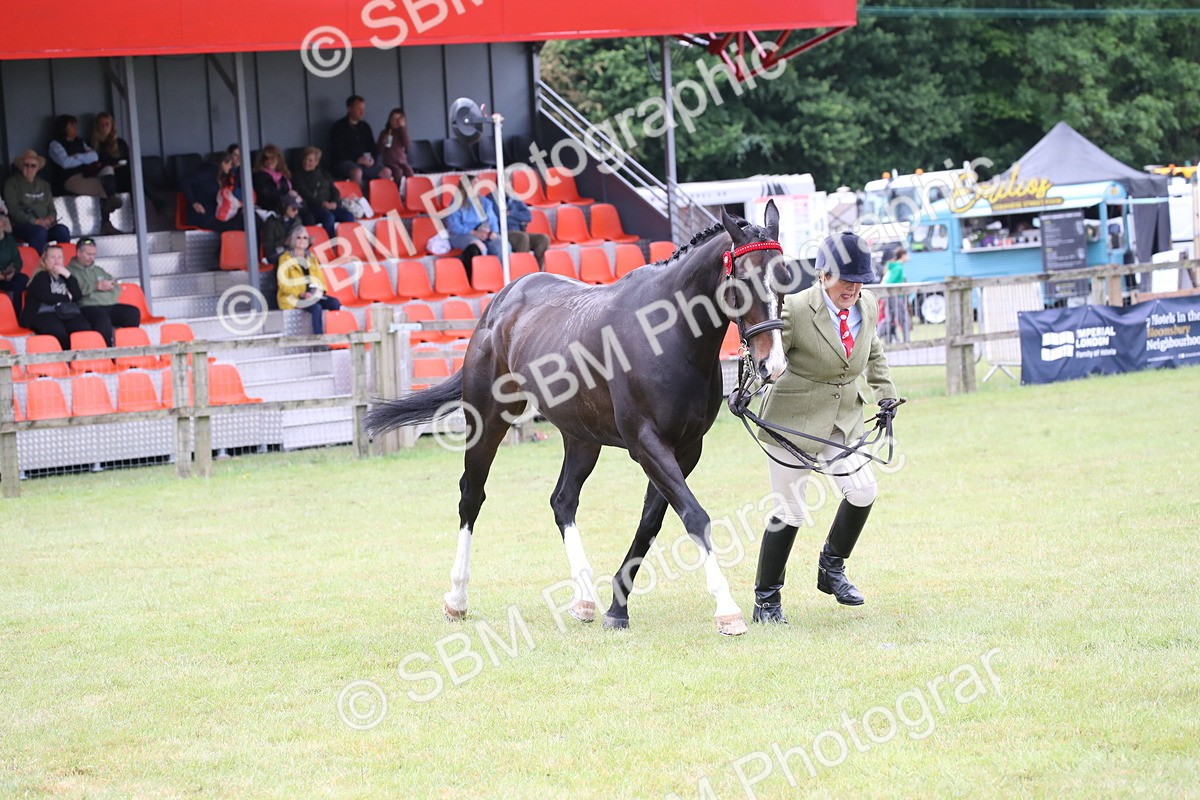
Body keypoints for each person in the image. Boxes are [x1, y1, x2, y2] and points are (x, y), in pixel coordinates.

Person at [751, 232, 901, 624]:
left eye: (858, 279)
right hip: (792, 422)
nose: (852, 287)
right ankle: (767, 600)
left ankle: (831, 567)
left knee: (864, 489)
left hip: (841, 421)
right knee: (790, 511)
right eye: (843, 278)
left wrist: (885, 393)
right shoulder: (796, 309)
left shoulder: (866, 304)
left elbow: (873, 350)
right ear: (821, 274)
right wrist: (747, 386)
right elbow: (767, 350)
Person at [47, 114, 124, 235]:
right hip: (69, 179)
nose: (76, 128)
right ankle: (106, 222)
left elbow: (94, 156)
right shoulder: (55, 144)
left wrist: (76, 157)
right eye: (72, 125)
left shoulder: (80, 141)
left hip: (86, 175)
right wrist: (84, 157)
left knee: (108, 170)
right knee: (106, 189)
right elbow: (65, 163)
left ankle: (108, 213)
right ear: (63, 127)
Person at [66, 237, 140, 346]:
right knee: (102, 319)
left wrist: (107, 289)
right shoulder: (69, 271)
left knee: (132, 313)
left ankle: (129, 349)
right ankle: (107, 354)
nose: (91, 258)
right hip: (87, 307)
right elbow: (74, 292)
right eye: (88, 254)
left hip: (109, 304)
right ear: (78, 253)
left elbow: (116, 287)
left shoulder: (98, 270)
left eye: (94, 254)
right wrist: (95, 286)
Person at [20, 244, 90, 350]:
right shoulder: (41, 276)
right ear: (45, 260)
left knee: (83, 328)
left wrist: (68, 275)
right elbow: (46, 297)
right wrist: (67, 298)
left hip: (64, 313)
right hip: (42, 313)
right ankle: (65, 362)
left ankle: (81, 362)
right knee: (59, 333)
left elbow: (77, 296)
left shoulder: (64, 276)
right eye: (52, 257)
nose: (56, 261)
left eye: (59, 257)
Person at [3, 151, 71, 254]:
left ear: (37, 168)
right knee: (39, 232)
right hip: (21, 225)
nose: (29, 168)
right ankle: (37, 265)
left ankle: (63, 263)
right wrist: (36, 222)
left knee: (63, 230)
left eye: (33, 166)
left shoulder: (44, 185)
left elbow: (51, 208)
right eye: (26, 165)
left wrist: (51, 218)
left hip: (46, 225)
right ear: (21, 166)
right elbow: (14, 210)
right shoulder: (11, 184)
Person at [276, 226, 340, 334]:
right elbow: (283, 284)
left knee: (334, 303)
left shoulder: (311, 257)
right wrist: (302, 294)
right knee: (316, 308)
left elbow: (320, 278)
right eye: (299, 238)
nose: (302, 241)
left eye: (305, 238)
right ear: (293, 240)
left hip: (311, 295)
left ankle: (335, 336)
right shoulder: (285, 258)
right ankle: (318, 341)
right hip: (294, 297)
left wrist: (320, 291)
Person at [329, 95, 392, 188]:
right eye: (358, 109)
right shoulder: (338, 127)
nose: (362, 112)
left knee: (386, 171)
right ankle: (358, 200)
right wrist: (357, 160)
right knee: (357, 172)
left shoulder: (365, 126)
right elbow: (337, 151)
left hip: (366, 161)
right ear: (349, 109)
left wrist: (372, 159)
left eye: (363, 109)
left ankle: (380, 200)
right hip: (346, 161)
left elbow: (372, 147)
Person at [292, 147, 353, 239]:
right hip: (313, 207)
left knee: (349, 216)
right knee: (329, 217)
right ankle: (330, 245)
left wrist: (334, 202)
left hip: (329, 206)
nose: (306, 163)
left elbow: (334, 191)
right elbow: (304, 193)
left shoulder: (325, 174)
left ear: (316, 162)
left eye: (310, 160)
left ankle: (348, 242)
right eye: (305, 159)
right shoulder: (298, 176)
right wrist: (321, 203)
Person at [446, 192, 507, 277]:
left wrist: (493, 232)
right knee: (479, 247)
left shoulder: (485, 202)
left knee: (502, 244)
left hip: (483, 234)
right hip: (462, 235)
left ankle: (502, 277)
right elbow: (453, 226)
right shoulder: (457, 202)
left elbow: (492, 220)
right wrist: (474, 233)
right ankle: (482, 278)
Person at [482, 190, 549, 268]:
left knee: (543, 238)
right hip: (502, 232)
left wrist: (511, 213)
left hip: (518, 231)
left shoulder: (514, 198)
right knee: (522, 237)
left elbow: (528, 216)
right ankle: (522, 270)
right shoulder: (491, 198)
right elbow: (497, 218)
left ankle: (537, 271)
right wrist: (516, 217)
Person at [182, 153, 244, 232]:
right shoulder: (208, 173)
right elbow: (186, 181)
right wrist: (194, 202)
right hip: (203, 215)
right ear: (223, 163)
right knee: (232, 227)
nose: (231, 168)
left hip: (215, 213)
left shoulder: (223, 177)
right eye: (230, 165)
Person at [0, 202, 29, 317]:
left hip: (6, 278)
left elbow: (17, 261)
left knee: (21, 279)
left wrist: (12, 271)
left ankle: (17, 315)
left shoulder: (9, 240)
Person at [91, 111, 131, 193]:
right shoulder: (92, 144)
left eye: (107, 124)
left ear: (112, 126)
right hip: (104, 176)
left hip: (121, 173)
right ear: (97, 126)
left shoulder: (120, 143)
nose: (104, 127)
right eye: (101, 124)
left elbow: (126, 161)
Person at [260, 192, 304, 266]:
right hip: (276, 255)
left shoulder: (297, 221)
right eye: (293, 209)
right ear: (285, 207)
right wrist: (286, 242)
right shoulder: (272, 221)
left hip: (293, 253)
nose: (296, 212)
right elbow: (269, 246)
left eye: (297, 209)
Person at [251, 144, 293, 215]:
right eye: (266, 159)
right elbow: (267, 193)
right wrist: (287, 193)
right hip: (269, 209)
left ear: (278, 159)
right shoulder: (260, 175)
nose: (269, 161)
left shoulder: (283, 174)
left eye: (272, 158)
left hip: (285, 207)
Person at [881, 246, 911, 343]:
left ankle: (886, 338)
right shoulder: (898, 268)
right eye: (907, 255)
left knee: (891, 319)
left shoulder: (896, 267)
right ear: (903, 256)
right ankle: (907, 340)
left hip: (893, 296)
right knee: (902, 318)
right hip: (895, 296)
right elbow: (889, 282)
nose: (908, 257)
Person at [378, 107, 414, 182]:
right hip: (390, 161)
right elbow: (378, 149)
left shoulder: (402, 132)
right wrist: (382, 143)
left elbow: (407, 143)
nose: (395, 122)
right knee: (398, 171)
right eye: (392, 119)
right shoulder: (385, 132)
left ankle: (410, 190)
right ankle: (395, 191)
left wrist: (402, 128)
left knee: (409, 171)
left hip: (402, 161)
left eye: (397, 120)